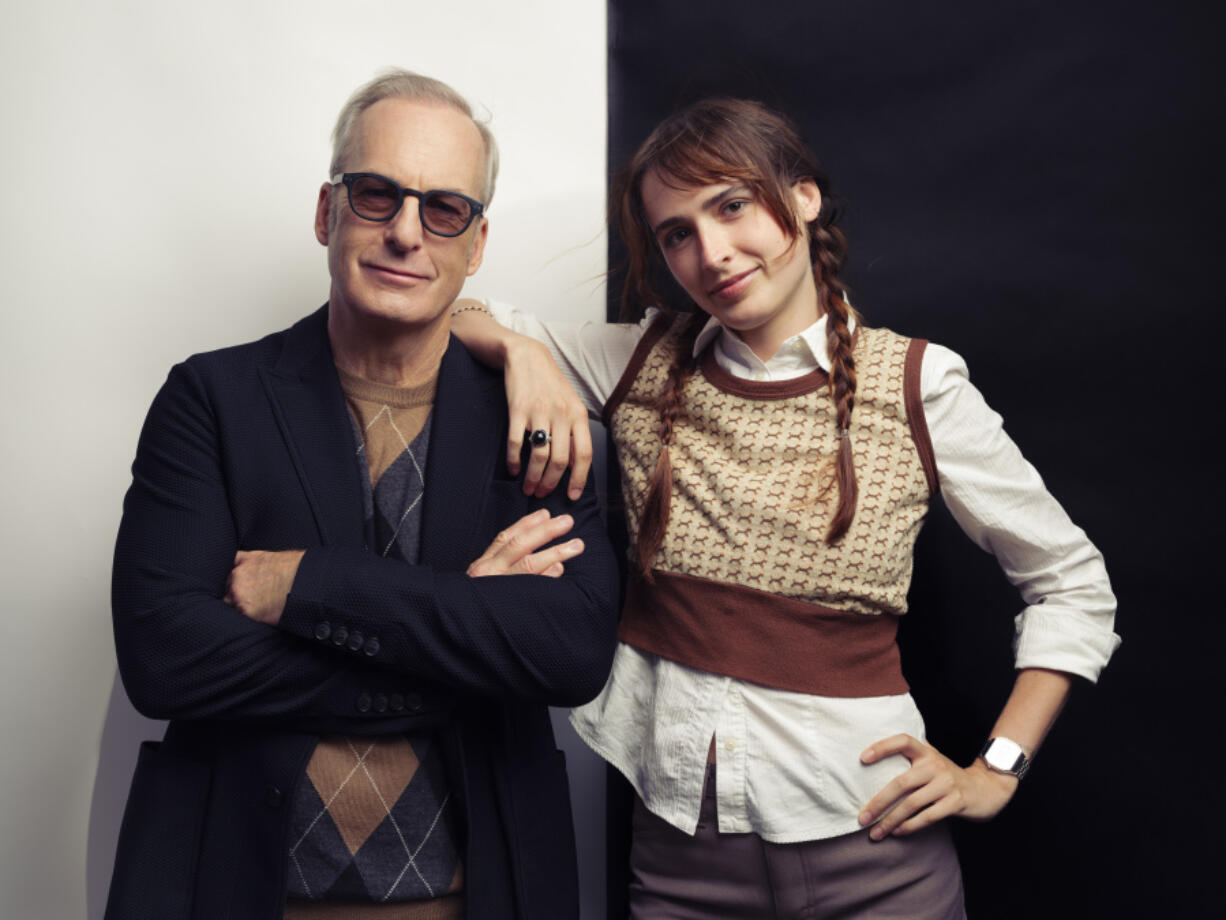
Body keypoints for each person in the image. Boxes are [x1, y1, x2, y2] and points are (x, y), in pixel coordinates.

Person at [450, 97, 1120, 918]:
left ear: (802, 196)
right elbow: (447, 310)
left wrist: (996, 768)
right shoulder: (637, 361)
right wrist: (521, 352)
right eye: (677, 233)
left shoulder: (916, 384)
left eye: (731, 205)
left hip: (878, 860)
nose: (712, 253)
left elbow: (1072, 583)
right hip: (675, 866)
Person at [105, 69, 620, 920]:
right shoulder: (211, 399)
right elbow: (165, 659)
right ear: (327, 213)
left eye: (443, 209)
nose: (407, 234)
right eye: (377, 196)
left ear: (477, 243)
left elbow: (568, 655)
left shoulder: (534, 419)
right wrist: (463, 625)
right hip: (234, 889)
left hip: (481, 896)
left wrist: (305, 587)